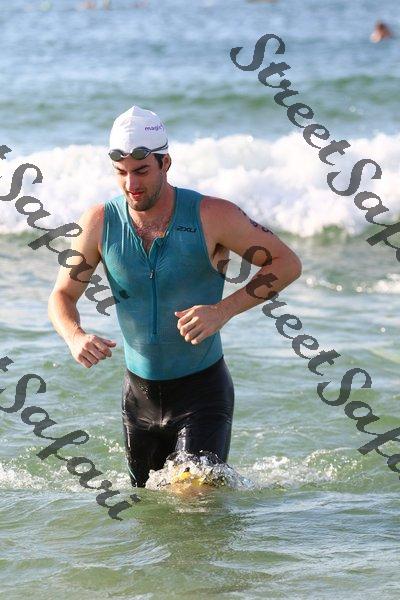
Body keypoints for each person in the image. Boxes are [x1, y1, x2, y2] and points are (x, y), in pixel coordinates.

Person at [48, 105, 302, 487]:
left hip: (202, 394)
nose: (131, 184)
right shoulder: (99, 223)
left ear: (165, 163)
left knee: (191, 499)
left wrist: (223, 311)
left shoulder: (212, 215)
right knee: (149, 511)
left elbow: (286, 263)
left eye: (141, 171)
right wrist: (75, 336)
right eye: (121, 173)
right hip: (138, 401)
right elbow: (62, 295)